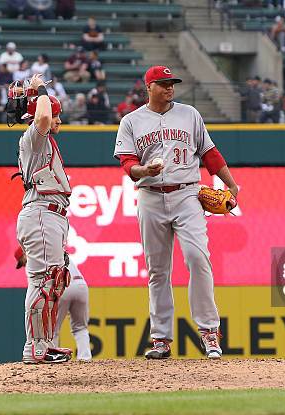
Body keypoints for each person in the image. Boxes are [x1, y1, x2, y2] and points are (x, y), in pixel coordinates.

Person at [114, 65, 240, 360]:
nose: (170, 87)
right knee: (158, 271)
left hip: (187, 193)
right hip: (150, 195)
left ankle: (209, 332)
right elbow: (127, 163)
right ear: (149, 87)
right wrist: (143, 170)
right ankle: (160, 339)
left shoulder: (190, 114)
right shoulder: (131, 121)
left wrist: (231, 184)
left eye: (172, 83)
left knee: (198, 258)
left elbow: (210, 154)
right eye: (163, 83)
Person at [8, 73, 73, 364]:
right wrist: (41, 90)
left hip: (51, 215)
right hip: (41, 212)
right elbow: (44, 119)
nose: (58, 120)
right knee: (45, 281)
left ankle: (42, 343)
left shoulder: (42, 143)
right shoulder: (34, 137)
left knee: (52, 282)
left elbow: (46, 117)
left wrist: (38, 96)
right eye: (57, 115)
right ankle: (36, 346)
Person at [14, 247, 92, 361]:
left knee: (52, 328)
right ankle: (85, 358)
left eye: (22, 260)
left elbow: (38, 289)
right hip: (81, 285)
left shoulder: (34, 260)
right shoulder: (52, 249)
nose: (24, 264)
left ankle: (51, 357)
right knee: (80, 327)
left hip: (62, 286)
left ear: (26, 253)